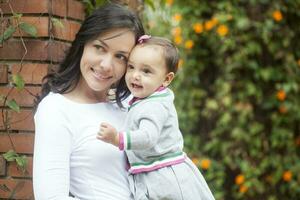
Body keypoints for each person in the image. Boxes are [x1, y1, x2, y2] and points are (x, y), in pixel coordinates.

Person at [33, 3, 145, 199]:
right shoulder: (56, 110)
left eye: (120, 57)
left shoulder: (129, 104)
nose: (106, 65)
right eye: (100, 48)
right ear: (83, 43)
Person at [97, 36, 215, 200]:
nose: (135, 76)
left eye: (146, 71)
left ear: (166, 79)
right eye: (131, 67)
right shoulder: (147, 97)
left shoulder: (154, 106)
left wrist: (117, 138)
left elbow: (148, 137)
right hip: (153, 173)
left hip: (165, 178)